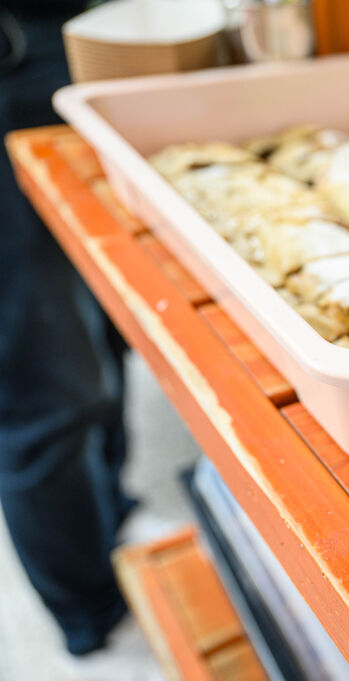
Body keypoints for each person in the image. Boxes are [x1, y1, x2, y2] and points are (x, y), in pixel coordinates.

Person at [0, 2, 156, 675]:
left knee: (101, 336)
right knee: (45, 390)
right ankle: (94, 616)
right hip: (10, 53)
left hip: (69, 39)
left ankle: (111, 514)